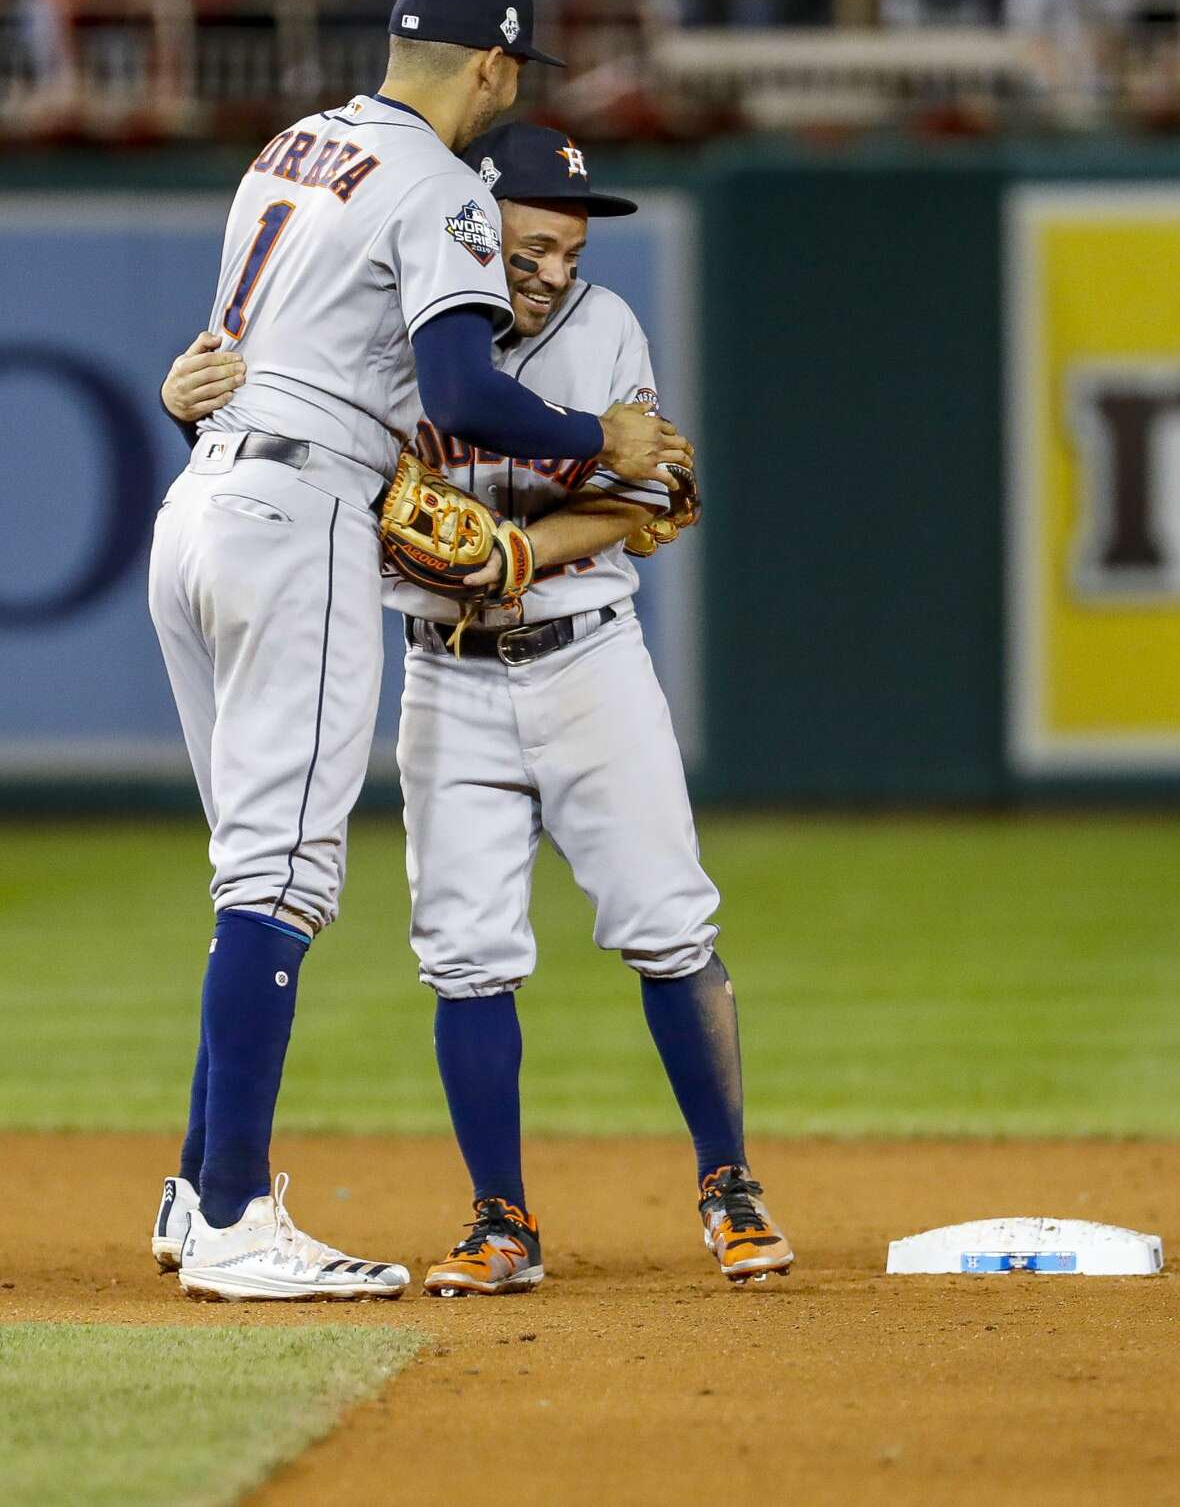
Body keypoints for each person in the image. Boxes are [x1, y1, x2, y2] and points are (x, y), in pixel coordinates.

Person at [164, 122, 791, 1295]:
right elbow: (269, 424)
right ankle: (500, 1219)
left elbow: (653, 492)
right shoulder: (402, 327)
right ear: (470, 224)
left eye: (570, 243)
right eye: (533, 241)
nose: (556, 267)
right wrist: (184, 393)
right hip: (443, 670)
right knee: (464, 952)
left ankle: (730, 1186)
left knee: (666, 922)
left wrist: (520, 552)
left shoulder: (603, 329)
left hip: (590, 660)